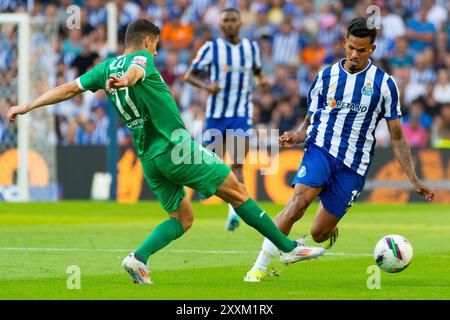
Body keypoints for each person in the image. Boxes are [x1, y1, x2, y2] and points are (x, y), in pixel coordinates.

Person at [7, 18, 325, 285]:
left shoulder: (104, 68)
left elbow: (70, 88)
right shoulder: (140, 60)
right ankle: (286, 247)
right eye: (156, 43)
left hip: (149, 159)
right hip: (176, 148)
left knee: (182, 218)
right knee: (238, 192)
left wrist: (28, 105)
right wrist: (126, 79)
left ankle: (138, 258)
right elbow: (137, 71)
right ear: (147, 41)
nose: (157, 50)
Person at [244, 17, 435, 282]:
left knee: (320, 233)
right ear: (345, 43)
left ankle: (317, 233)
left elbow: (398, 136)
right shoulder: (325, 76)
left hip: (354, 166)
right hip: (321, 148)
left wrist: (413, 179)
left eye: (362, 50)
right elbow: (311, 121)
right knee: (297, 203)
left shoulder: (385, 84)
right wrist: (296, 136)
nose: (355, 55)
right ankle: (259, 268)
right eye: (351, 48)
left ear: (372, 49)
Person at [184, 8, 270, 232]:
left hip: (241, 114)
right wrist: (206, 86)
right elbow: (189, 75)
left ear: (240, 23)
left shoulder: (251, 49)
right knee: (214, 163)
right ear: (220, 25)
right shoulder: (211, 48)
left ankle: (234, 211)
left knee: (239, 163)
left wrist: (262, 81)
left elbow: (258, 70)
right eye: (225, 21)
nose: (230, 24)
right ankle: (216, 198)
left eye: (233, 20)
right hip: (215, 116)